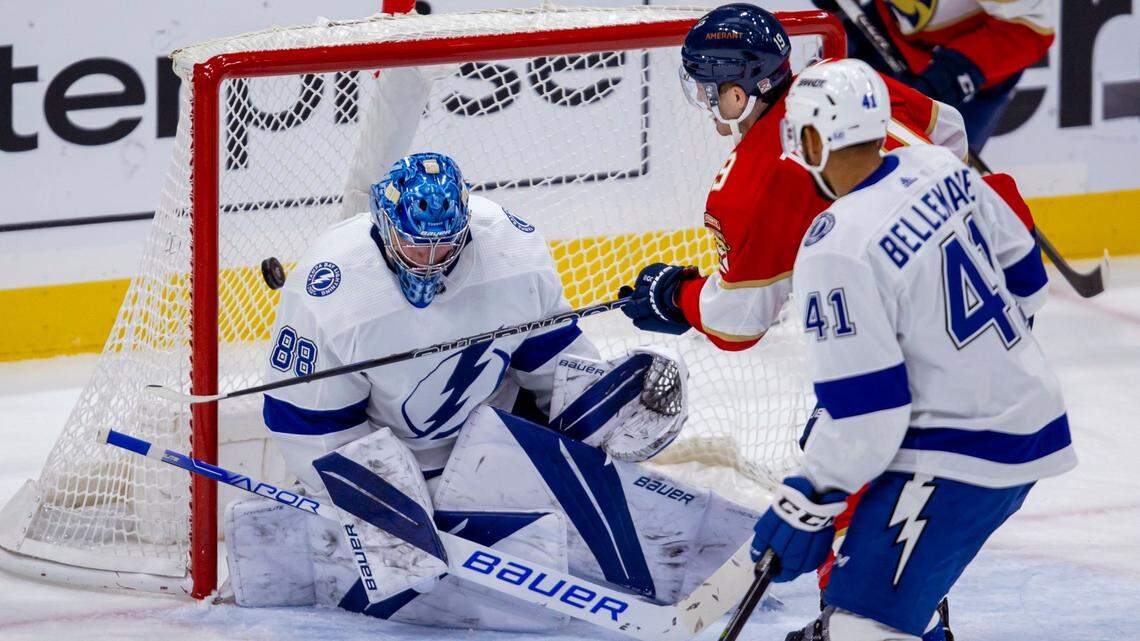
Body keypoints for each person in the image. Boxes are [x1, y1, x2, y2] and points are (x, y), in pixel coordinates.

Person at [221, 152, 759, 632]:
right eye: (415, 245)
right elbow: (306, 423)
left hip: (498, 444)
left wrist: (601, 408)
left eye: (444, 246)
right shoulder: (332, 288)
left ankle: (752, 554)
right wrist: (379, 501)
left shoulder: (509, 252)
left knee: (649, 537)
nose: (431, 261)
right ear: (384, 228)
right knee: (444, 586)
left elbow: (547, 361)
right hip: (391, 460)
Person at [749, 57, 1074, 641]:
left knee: (858, 629)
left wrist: (811, 497)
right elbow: (1027, 275)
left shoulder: (834, 245)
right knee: (857, 611)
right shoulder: (934, 164)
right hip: (1033, 416)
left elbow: (870, 413)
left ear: (815, 137)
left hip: (965, 450)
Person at [811, 0, 1054, 154]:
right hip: (885, 27)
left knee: (932, 173)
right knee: (819, 134)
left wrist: (952, 73)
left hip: (972, 67)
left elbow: (1031, 27)